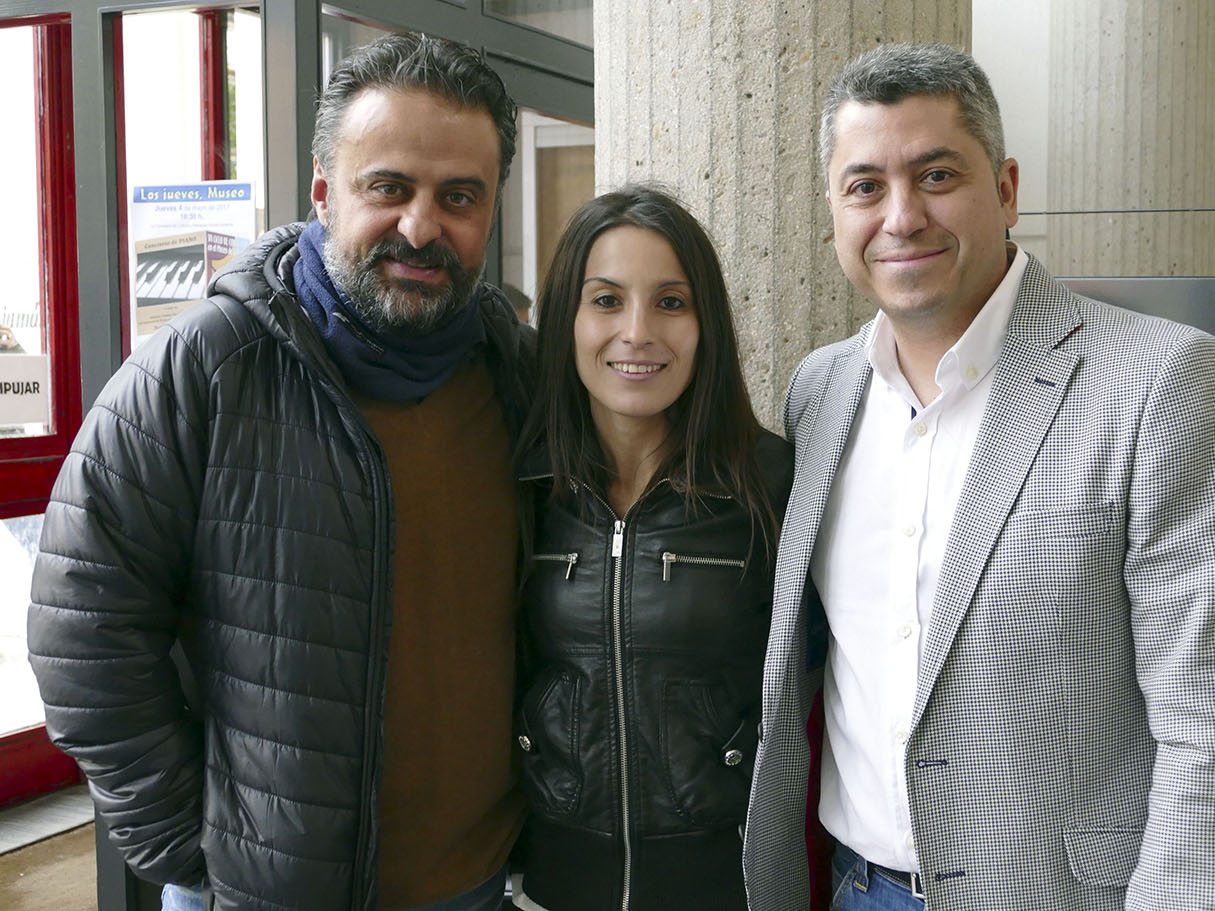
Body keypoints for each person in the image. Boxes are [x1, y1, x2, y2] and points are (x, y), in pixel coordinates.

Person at [741, 42, 1215, 911]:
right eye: (865, 187)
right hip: (854, 886)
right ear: (834, 214)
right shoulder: (821, 391)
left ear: (1006, 190)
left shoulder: (1163, 382)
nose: (901, 216)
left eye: (936, 175)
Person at [27, 32, 532, 911]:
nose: (421, 227)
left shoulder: (520, 376)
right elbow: (83, 625)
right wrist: (192, 846)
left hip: (477, 883)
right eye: (389, 188)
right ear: (324, 191)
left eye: (459, 196)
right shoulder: (202, 369)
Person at [510, 186, 792, 910]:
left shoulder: (768, 483)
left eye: (670, 302)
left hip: (723, 881)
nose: (637, 332)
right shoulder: (523, 485)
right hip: (553, 880)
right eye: (606, 300)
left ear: (705, 325)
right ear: (566, 320)